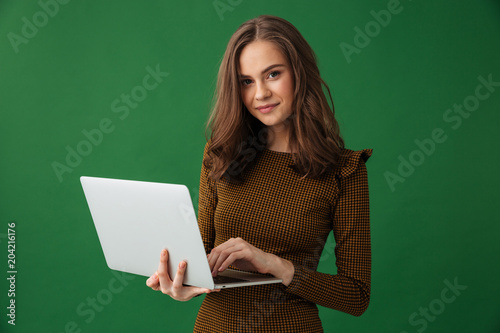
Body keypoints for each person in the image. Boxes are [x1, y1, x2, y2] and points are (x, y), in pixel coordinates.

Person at [146, 15, 372, 332]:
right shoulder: (220, 154)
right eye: (247, 81)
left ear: (300, 73)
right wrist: (180, 282)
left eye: (273, 74)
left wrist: (275, 265)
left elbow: (356, 296)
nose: (261, 93)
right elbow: (201, 259)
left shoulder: (344, 170)